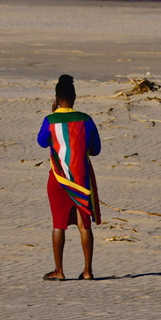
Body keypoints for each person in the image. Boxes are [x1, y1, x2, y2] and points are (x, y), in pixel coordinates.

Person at [37, 73, 101, 280]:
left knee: (58, 224)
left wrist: (54, 114)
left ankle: (59, 271)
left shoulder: (50, 120)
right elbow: (96, 150)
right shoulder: (86, 119)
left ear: (56, 99)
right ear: (74, 98)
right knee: (84, 225)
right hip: (81, 178)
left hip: (58, 179)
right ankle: (88, 271)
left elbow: (42, 142)